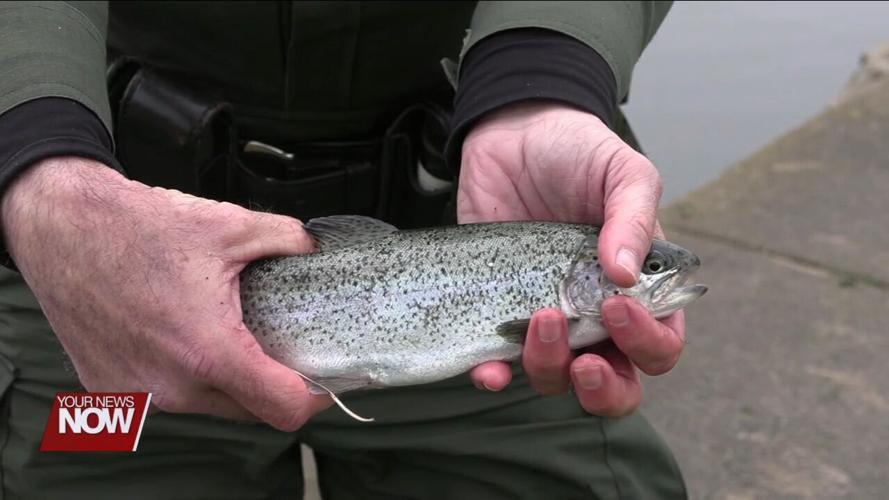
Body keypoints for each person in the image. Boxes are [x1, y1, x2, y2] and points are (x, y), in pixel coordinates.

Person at [0, 2, 688, 499]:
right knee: (68, 458)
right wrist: (36, 156)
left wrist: (540, 80)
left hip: (494, 307)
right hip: (92, 292)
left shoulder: (553, 295)